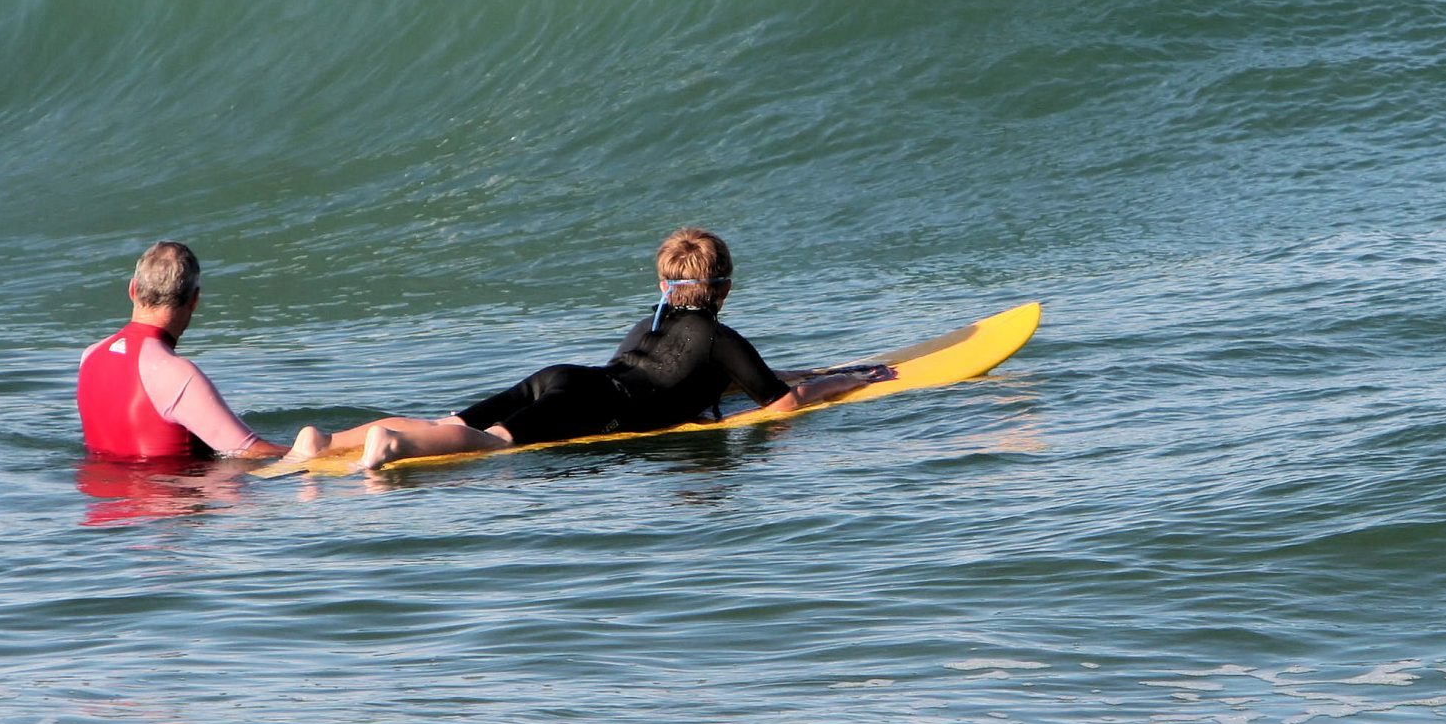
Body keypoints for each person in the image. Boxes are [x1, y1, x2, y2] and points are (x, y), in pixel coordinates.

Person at [284, 228, 891, 470]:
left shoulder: (651, 325)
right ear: (725, 288)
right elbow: (781, 405)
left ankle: (327, 441)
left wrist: (822, 368)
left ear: (665, 286)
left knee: (453, 421)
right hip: (594, 406)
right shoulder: (718, 337)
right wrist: (850, 381)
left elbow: (729, 380)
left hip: (564, 378)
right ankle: (391, 446)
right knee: (489, 444)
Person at [76, 240, 292, 460]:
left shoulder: (90, 356)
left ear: (132, 289)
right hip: (171, 492)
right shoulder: (174, 372)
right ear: (195, 300)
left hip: (97, 493)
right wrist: (321, 449)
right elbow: (249, 451)